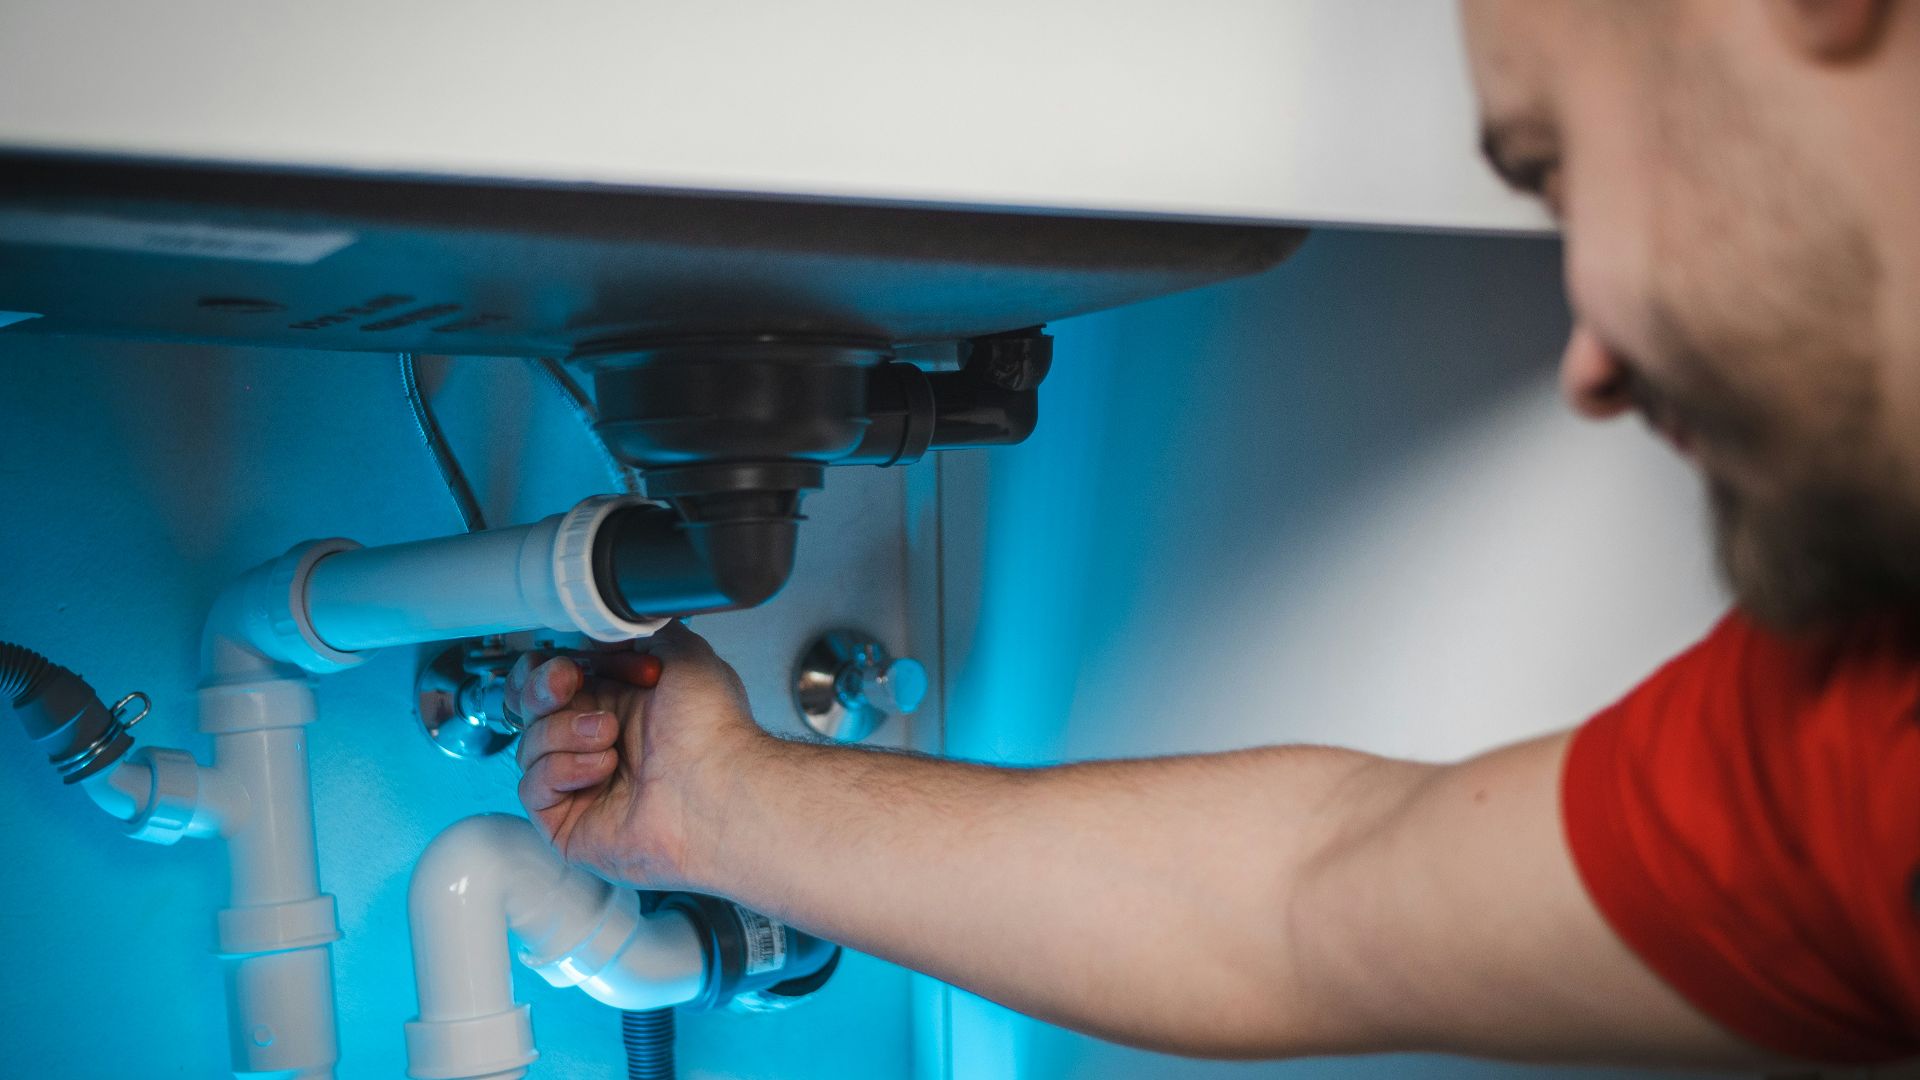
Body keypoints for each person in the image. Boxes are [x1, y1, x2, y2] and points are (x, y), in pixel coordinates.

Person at [507, 0, 1920, 1067]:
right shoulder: (1846, 752)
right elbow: (1307, 901)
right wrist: (722, 803)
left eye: (1559, 167)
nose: (1590, 366)